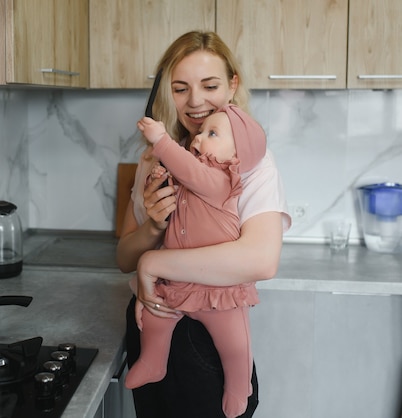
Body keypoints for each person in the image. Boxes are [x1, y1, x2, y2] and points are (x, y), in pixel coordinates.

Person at [116, 30, 291, 418]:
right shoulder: (153, 160)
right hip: (152, 322)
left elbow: (261, 260)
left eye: (209, 85)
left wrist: (154, 263)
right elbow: (125, 257)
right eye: (180, 88)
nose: (194, 101)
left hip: (204, 334)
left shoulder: (252, 164)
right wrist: (152, 228)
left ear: (232, 86)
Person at [125, 104, 267, 418]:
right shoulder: (190, 179)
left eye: (212, 133)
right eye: (200, 133)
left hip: (218, 289)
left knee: (234, 344)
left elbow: (190, 170)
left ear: (237, 153)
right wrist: (158, 184)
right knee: (155, 317)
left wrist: (161, 140)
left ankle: (239, 385)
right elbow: (178, 190)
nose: (199, 138)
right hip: (179, 281)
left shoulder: (222, 179)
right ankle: (153, 362)